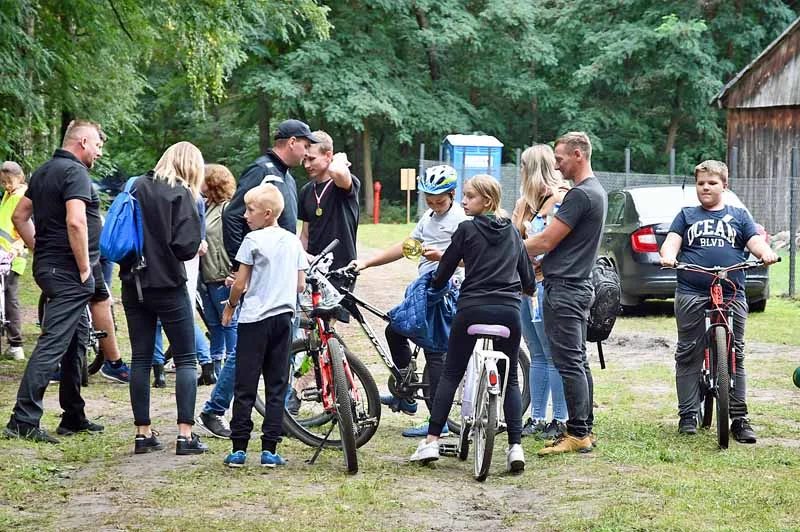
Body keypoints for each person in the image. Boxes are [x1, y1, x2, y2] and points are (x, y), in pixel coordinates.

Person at [409, 174, 534, 471]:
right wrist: (524, 288)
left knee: (451, 373)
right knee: (511, 379)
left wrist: (436, 286)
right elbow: (527, 279)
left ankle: (432, 440)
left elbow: (443, 272)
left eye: (470, 196)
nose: (463, 201)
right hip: (508, 312)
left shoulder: (465, 230)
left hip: (471, 310)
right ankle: (515, 447)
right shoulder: (514, 233)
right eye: (463, 195)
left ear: (487, 201)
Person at [659, 160, 778, 442]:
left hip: (731, 291)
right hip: (691, 290)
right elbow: (672, 242)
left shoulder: (739, 216)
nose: (706, 188)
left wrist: (765, 253)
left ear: (724, 185)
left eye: (712, 183)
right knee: (688, 350)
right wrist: (668, 255)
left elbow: (755, 242)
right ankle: (688, 414)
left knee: (736, 351)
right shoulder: (686, 215)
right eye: (701, 183)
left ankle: (739, 419)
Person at [3, 119, 106, 443]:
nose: (100, 153)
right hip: (70, 271)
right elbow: (76, 222)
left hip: (50, 268)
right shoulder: (75, 172)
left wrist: (40, 248)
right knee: (53, 342)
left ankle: (73, 415)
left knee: (76, 340)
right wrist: (84, 268)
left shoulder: (44, 170)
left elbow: (20, 216)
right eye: (99, 146)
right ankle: (23, 418)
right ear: (84, 142)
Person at [350, 164, 468, 437]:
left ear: (452, 194)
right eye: (429, 200)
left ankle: (438, 423)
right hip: (425, 288)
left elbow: (471, 258)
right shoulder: (428, 217)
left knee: (435, 353)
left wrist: (442, 257)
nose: (435, 205)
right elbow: (406, 246)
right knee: (395, 329)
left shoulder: (461, 220)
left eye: (440, 200)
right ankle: (407, 393)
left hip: (445, 291)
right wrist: (367, 262)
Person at [119, 141, 207, 456]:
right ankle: (185, 435)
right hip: (168, 283)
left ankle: (142, 434)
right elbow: (185, 247)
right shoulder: (181, 193)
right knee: (185, 358)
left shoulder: (136, 186)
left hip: (133, 282)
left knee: (141, 358)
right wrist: (197, 244)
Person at [525, 131, 607, 456]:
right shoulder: (594, 191)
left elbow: (546, 240)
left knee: (569, 361)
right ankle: (583, 427)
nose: (556, 166)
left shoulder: (580, 196)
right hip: (574, 285)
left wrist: (506, 248)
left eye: (559, 158)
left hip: (566, 290)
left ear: (578, 155)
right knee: (578, 360)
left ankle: (577, 433)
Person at [221, 184, 308, 468]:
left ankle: (239, 448)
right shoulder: (293, 241)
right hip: (284, 319)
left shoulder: (252, 241)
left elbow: (241, 284)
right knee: (276, 384)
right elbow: (300, 284)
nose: (245, 216)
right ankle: (270, 449)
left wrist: (231, 302)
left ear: (267, 214)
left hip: (254, 320)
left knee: (245, 384)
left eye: (250, 210)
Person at [511, 145, 570, 439]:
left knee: (553, 352)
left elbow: (558, 241)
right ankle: (536, 417)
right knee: (535, 353)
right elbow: (512, 238)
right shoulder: (523, 203)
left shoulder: (561, 198)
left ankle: (560, 418)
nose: (520, 171)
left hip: (549, 284)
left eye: (523, 166)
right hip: (525, 287)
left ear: (533, 167)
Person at [223, 119, 319, 258]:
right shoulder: (261, 170)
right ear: (292, 142)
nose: (307, 153)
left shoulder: (289, 178)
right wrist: (239, 264)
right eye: (306, 146)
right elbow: (232, 216)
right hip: (260, 267)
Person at [195, 164, 238, 438]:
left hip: (222, 278)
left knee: (230, 330)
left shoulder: (226, 210)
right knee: (215, 328)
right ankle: (217, 371)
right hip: (207, 279)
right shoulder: (206, 207)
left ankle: (229, 383)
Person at [299, 130, 360, 270]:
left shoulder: (343, 183)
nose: (307, 165)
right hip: (314, 267)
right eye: (304, 159)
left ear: (328, 155)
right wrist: (302, 258)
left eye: (312, 159)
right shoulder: (306, 191)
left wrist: (339, 159)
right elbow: (305, 234)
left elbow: (337, 171)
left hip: (342, 269)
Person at [0, 161, 29, 361]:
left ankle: (16, 344)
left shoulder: (22, 197)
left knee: (10, 298)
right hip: (1, 255)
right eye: (2, 182)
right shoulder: (8, 195)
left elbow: (24, 228)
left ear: (20, 177)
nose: (6, 186)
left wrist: (15, 251)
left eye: (9, 181)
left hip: (13, 257)